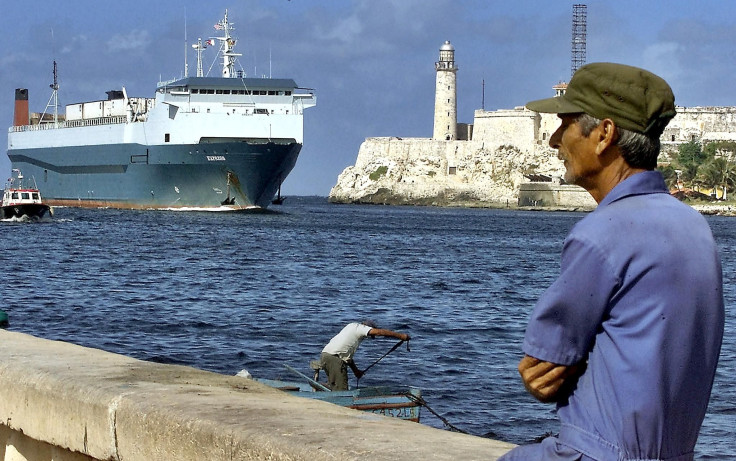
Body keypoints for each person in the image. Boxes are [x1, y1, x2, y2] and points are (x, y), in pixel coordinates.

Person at [500, 63, 725, 460]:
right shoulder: (695, 226)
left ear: (604, 134)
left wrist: (553, 370)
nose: (554, 140)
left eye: (565, 124)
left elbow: (543, 371)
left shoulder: (600, 234)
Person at [320, 321, 410, 390]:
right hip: (334, 359)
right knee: (341, 390)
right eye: (370, 335)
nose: (368, 337)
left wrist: (356, 371)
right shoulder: (361, 328)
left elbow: (347, 357)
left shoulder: (351, 328)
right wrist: (400, 336)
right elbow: (379, 332)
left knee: (335, 385)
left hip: (325, 355)